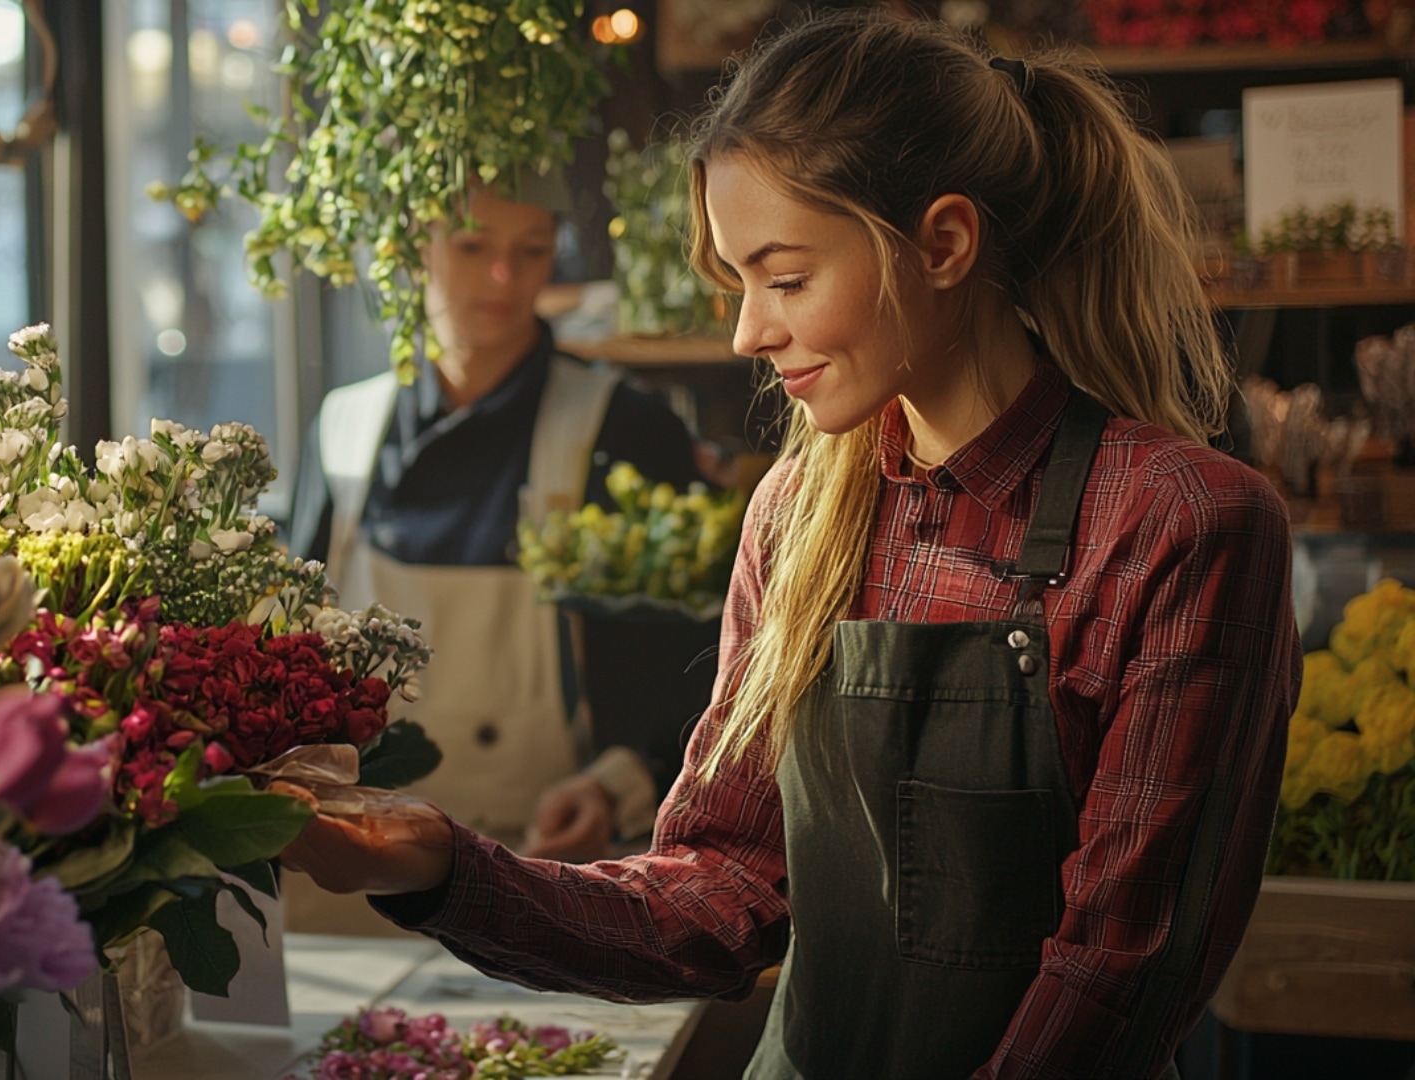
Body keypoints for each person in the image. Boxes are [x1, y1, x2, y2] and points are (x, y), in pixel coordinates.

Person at [275, 13, 1301, 1078]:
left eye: (786, 277)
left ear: (944, 245)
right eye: (737, 282)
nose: (746, 334)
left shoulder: (1180, 523)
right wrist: (441, 866)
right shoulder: (800, 514)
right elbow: (716, 896)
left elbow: (1117, 975)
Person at [286, 175, 713, 869]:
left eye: (532, 250)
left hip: (541, 856)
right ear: (410, 250)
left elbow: (693, 659)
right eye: (471, 244)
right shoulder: (343, 429)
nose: (502, 276)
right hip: (356, 860)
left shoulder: (623, 426)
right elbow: (294, 647)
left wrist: (615, 787)